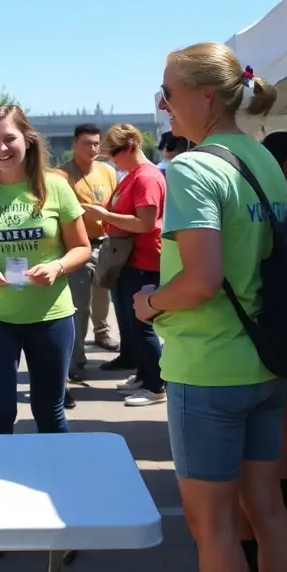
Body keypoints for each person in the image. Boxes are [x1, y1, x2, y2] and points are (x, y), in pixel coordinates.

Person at [138, 43, 287, 572]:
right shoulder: (260, 158)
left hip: (208, 371)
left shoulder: (195, 168)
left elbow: (200, 281)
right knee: (270, 513)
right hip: (268, 359)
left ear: (205, 97)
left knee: (215, 529)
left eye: (169, 90)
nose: (163, 102)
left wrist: (150, 303)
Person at [0, 104, 91, 435]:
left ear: (28, 140)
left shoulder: (55, 186)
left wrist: (57, 266)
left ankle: (55, 484)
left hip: (51, 317)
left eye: (9, 139)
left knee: (49, 410)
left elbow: (81, 248)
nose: (1, 149)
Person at [233, 131, 287, 572]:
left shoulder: (255, 194)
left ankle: (256, 539)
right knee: (282, 426)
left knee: (258, 446)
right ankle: (282, 520)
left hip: (254, 335)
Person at [86, 124, 166, 407]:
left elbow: (146, 223)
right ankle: (145, 376)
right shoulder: (134, 176)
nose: (111, 158)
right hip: (130, 259)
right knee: (133, 326)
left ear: (132, 146)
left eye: (115, 152)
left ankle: (156, 385)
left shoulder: (146, 177)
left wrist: (105, 215)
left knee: (142, 326)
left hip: (144, 260)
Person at [56, 123, 120, 382]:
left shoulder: (107, 171)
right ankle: (76, 357)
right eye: (86, 143)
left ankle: (102, 332)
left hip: (106, 242)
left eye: (96, 143)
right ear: (74, 145)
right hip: (76, 245)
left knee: (103, 294)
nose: (93, 148)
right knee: (78, 303)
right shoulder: (62, 175)